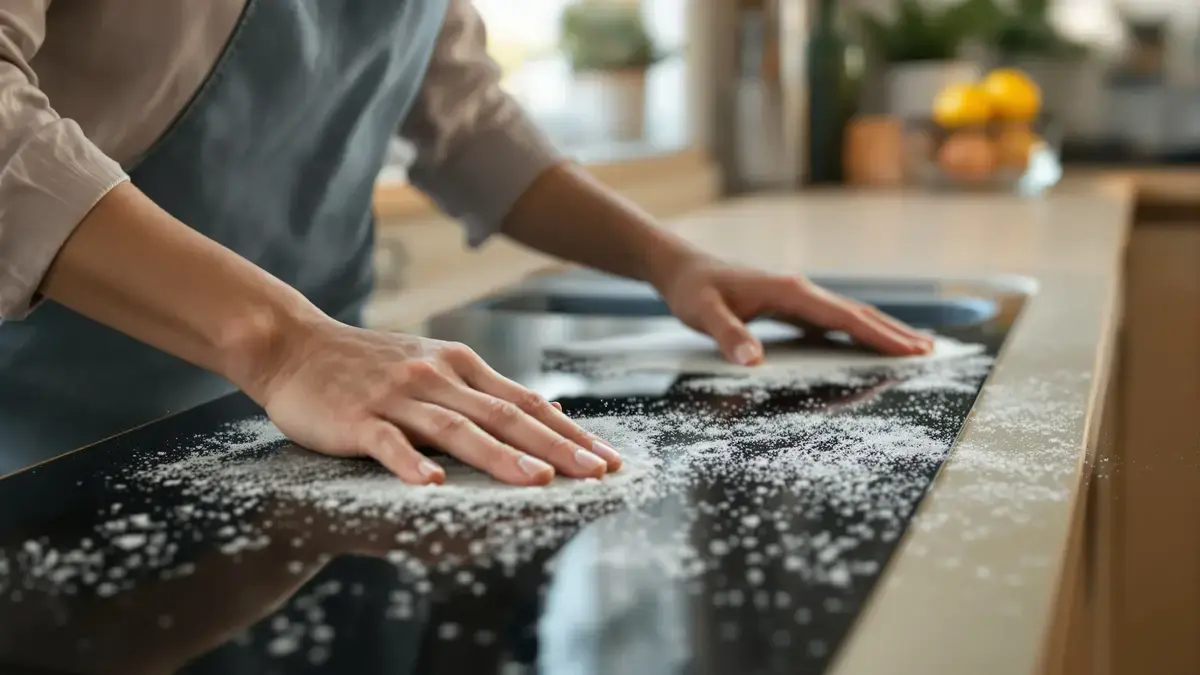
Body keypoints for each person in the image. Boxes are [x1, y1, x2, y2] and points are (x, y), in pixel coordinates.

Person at [0, 0, 932, 483]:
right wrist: (285, 343)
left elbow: (464, 118)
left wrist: (671, 259)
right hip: (42, 444)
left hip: (323, 437)